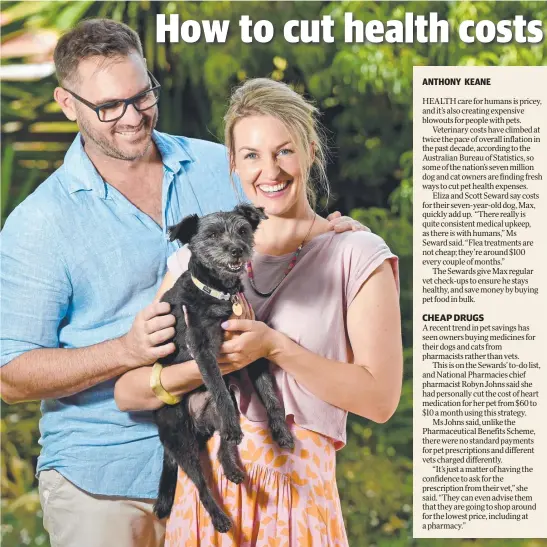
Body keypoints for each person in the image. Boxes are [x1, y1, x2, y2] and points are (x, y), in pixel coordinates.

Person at [0, 19, 366, 547]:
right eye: (108, 107)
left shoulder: (218, 167)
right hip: (104, 484)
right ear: (66, 102)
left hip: (221, 471)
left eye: (142, 95)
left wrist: (330, 231)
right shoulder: (40, 223)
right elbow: (10, 376)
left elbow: (282, 222)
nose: (131, 117)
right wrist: (123, 350)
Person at [113, 78, 403, 546]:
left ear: (310, 151)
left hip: (297, 500)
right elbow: (129, 391)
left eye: (284, 151)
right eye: (250, 155)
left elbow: (380, 400)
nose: (269, 169)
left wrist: (274, 347)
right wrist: (202, 370)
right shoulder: (197, 260)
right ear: (233, 162)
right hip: (205, 506)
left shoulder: (355, 253)